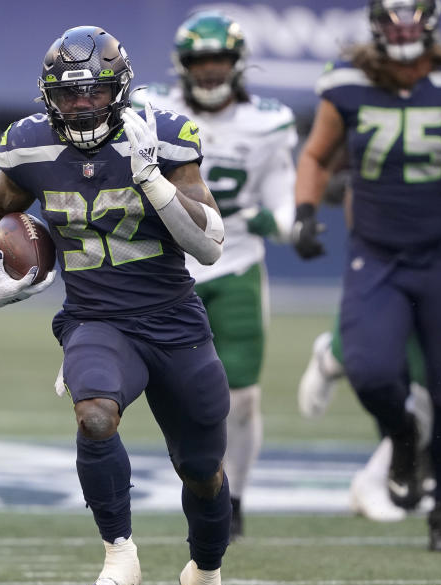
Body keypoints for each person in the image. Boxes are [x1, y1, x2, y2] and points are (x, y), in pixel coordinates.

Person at [0, 25, 235, 585]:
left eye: (93, 92)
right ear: (49, 97)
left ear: (119, 89)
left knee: (203, 471)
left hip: (175, 323)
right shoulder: (28, 146)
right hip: (97, 318)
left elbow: (210, 246)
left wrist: (153, 180)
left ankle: (206, 584)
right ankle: (120, 551)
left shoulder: (163, 136)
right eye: (68, 95)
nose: (82, 105)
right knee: (94, 415)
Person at [291, 0, 441, 551]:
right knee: (370, 370)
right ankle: (400, 435)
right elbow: (318, 156)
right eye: (393, 20)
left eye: (411, 19)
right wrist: (304, 210)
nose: (403, 30)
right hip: (379, 254)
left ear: (431, 24)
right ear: (375, 27)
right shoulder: (347, 83)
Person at [132, 11, 297, 541]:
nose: (208, 71)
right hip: (169, 269)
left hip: (239, 266)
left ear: (236, 63)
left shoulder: (268, 122)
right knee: (180, 396)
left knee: (243, 396)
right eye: (199, 60)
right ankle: (200, 482)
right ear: (183, 65)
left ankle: (238, 498)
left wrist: (291, 223)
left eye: (218, 59)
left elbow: (282, 199)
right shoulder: (149, 109)